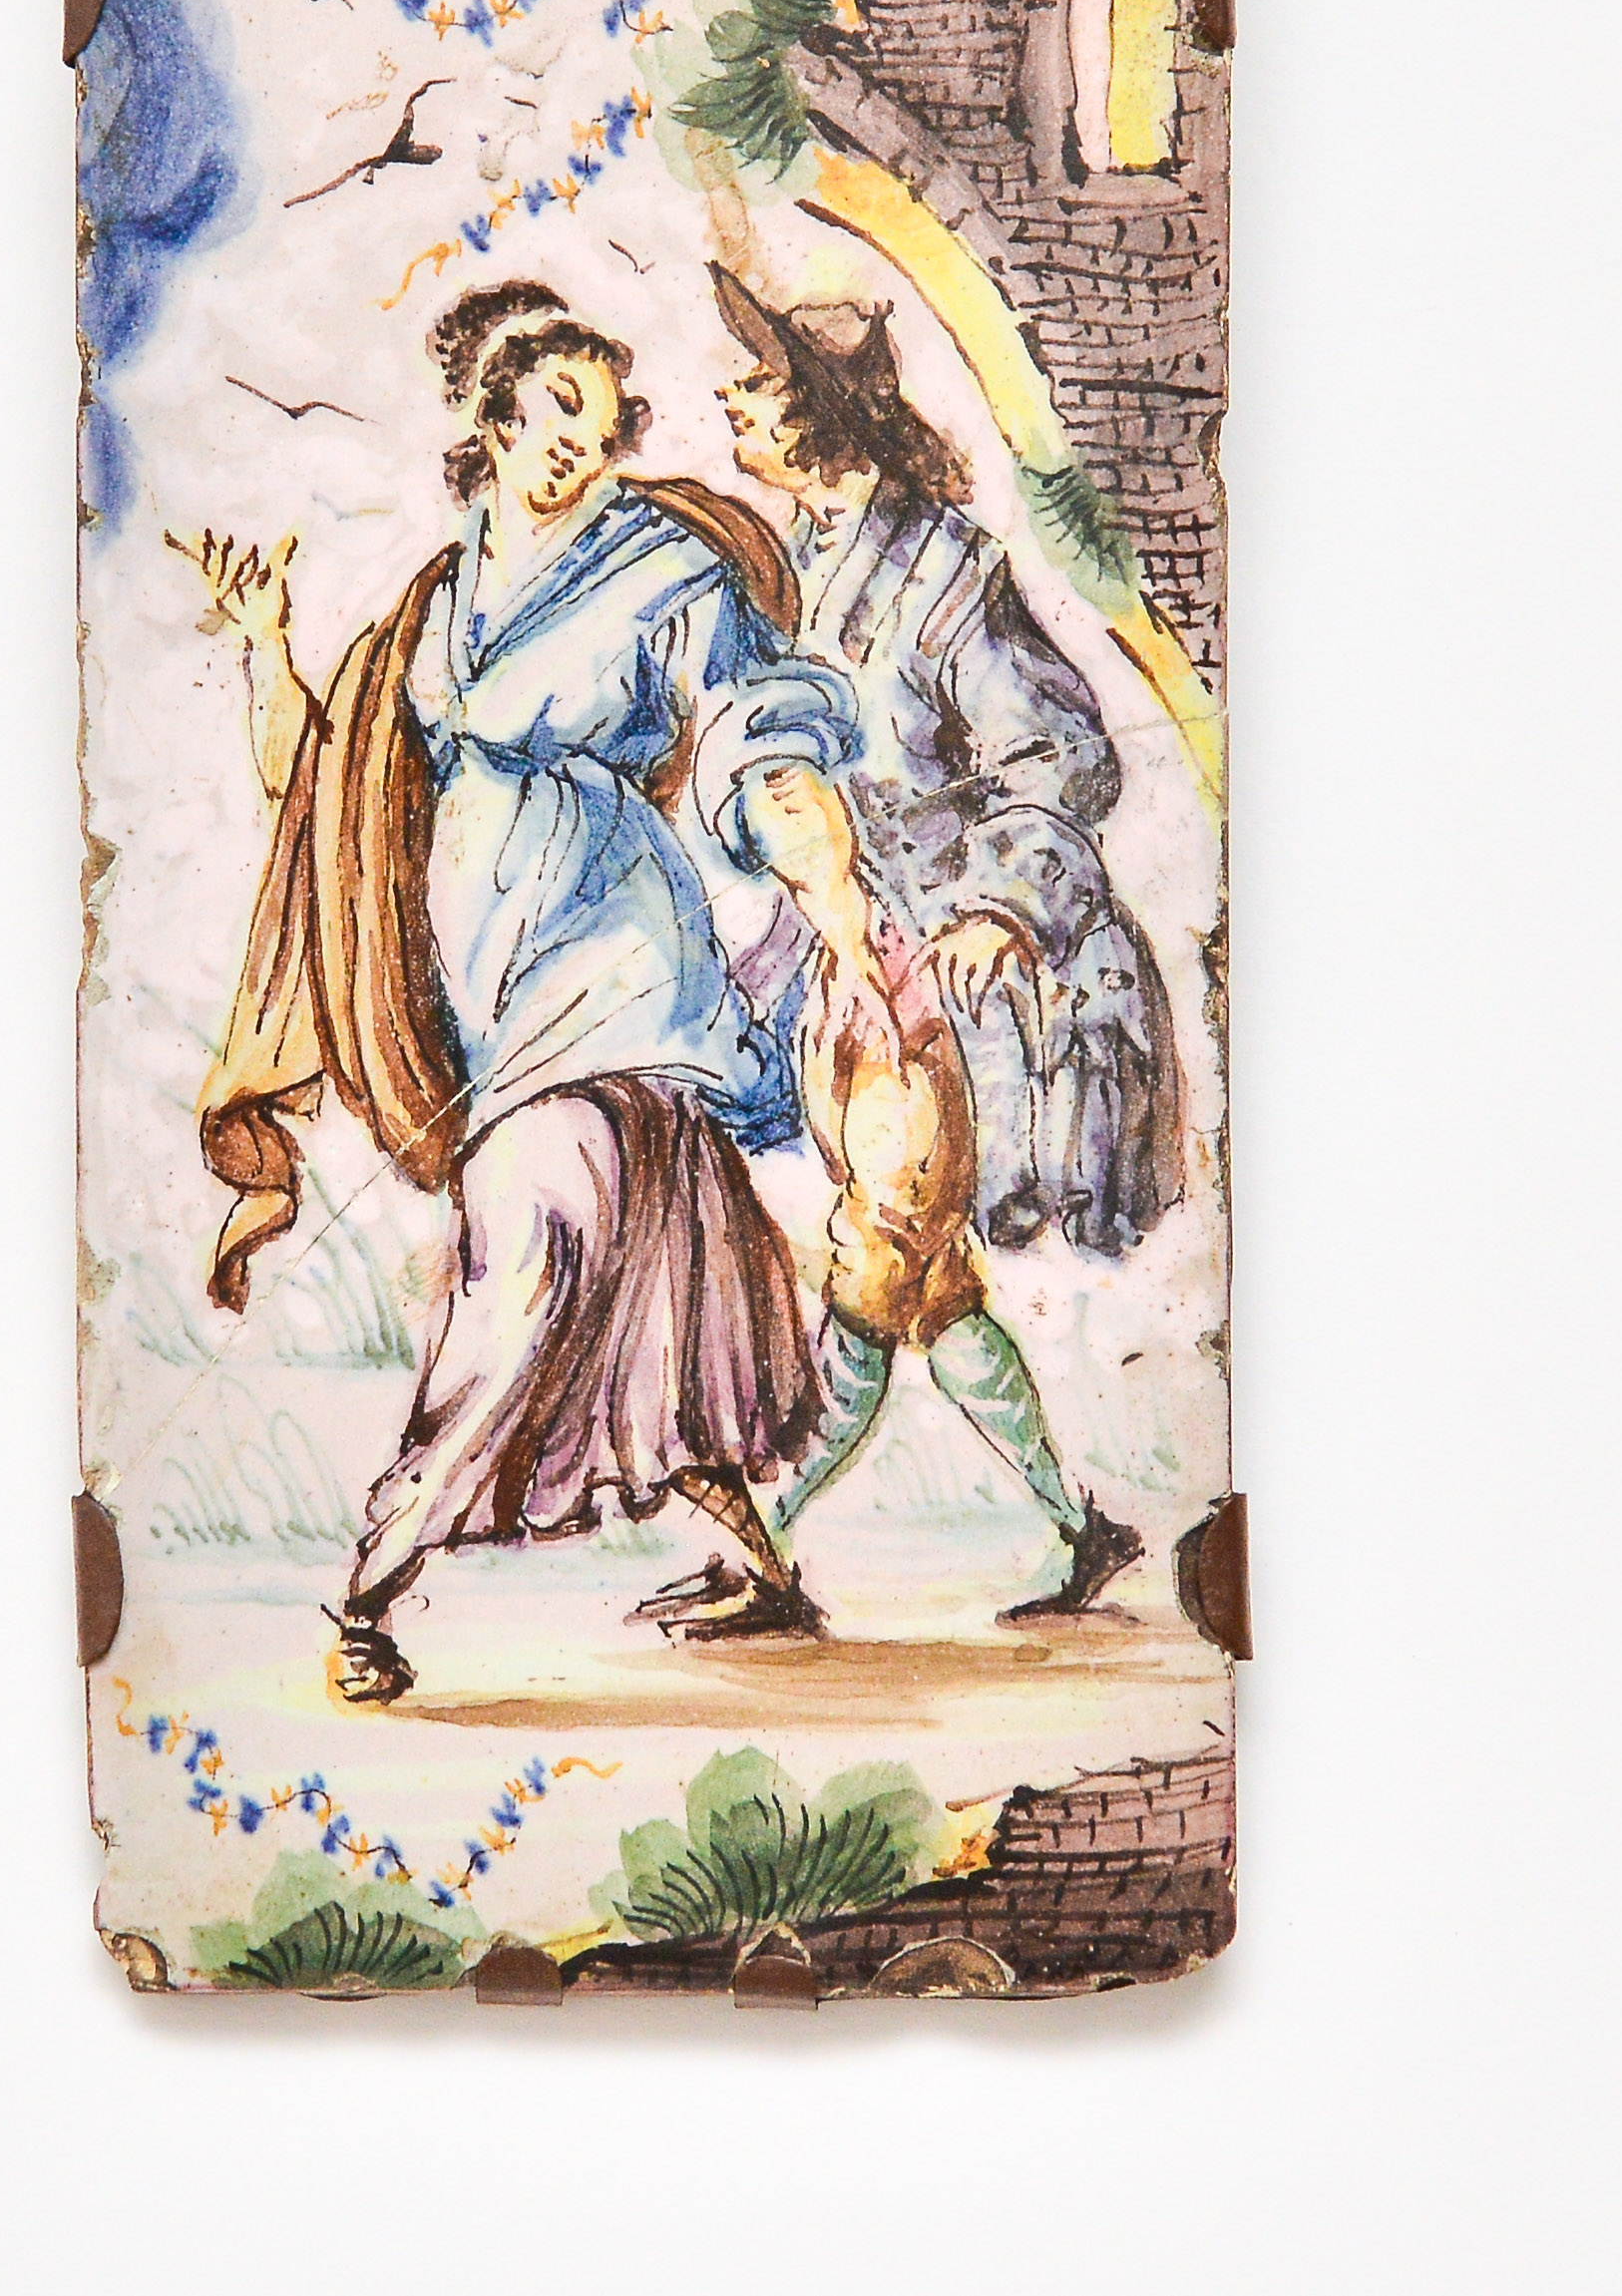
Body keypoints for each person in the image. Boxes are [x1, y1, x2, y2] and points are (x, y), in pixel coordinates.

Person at [177, 280, 903, 1704]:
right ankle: (756, 1565)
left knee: (530, 1241)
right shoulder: (433, 605)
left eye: (605, 419)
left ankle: (370, 1586)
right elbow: (321, 796)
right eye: (558, 407)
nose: (584, 438)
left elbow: (751, 722)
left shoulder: (661, 569)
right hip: (490, 991)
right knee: (667, 1269)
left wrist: (820, 866)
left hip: (621, 957)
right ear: (493, 416)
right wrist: (263, 642)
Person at [705, 263, 1184, 1620]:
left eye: (754, 380)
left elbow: (1062, 751)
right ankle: (1080, 1528)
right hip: (845, 964)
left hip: (946, 979)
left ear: (816, 415)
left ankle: (762, 1546)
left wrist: (996, 906)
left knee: (880, 1255)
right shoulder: (786, 565)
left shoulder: (944, 574)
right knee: (924, 1281)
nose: (727, 396)